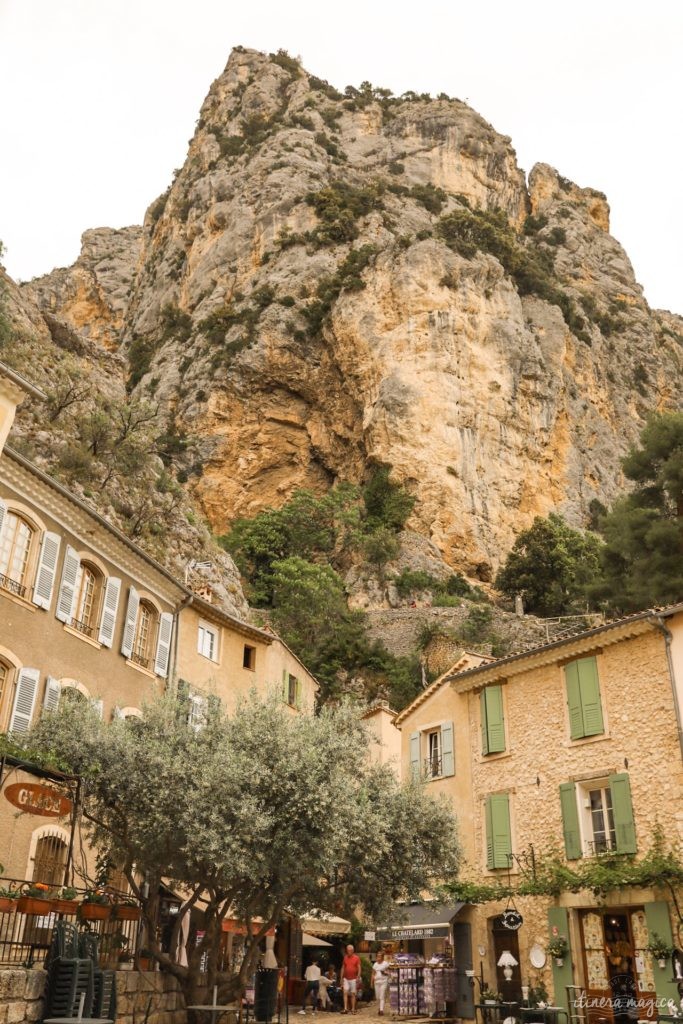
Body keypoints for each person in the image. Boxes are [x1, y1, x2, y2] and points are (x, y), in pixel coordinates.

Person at [341, 944, 362, 1015]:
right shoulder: (345, 958)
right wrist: (341, 978)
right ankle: (345, 1008)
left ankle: (353, 1009)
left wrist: (358, 977)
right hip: (346, 978)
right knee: (345, 992)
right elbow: (343, 967)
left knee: (353, 994)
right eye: (347, 950)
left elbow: (359, 968)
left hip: (353, 978)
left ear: (353, 951)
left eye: (350, 950)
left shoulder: (357, 958)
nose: (348, 951)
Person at [372, 952, 390, 1016]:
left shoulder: (386, 964)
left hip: (384, 981)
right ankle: (379, 1008)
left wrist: (385, 973)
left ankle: (381, 1010)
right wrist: (371, 982)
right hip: (376, 982)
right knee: (377, 997)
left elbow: (389, 972)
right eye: (377, 956)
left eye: (379, 956)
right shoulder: (375, 964)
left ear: (382, 957)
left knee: (382, 996)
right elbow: (373, 974)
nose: (378, 958)